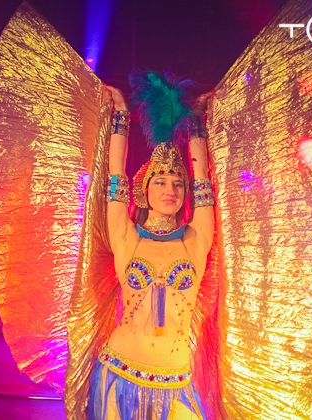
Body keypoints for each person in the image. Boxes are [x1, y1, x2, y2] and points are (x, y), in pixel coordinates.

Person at [85, 72, 214, 420]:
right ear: (144, 190)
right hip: (119, 374)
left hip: (176, 381)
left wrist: (196, 126)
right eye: (160, 181)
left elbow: (203, 180)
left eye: (177, 183)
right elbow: (115, 176)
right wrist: (121, 116)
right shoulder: (128, 238)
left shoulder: (195, 240)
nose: (170, 190)